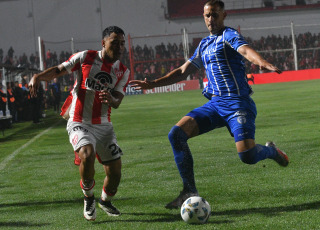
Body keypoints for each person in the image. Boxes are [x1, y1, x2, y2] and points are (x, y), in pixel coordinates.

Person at [130, 0, 289, 210]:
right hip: (215, 105)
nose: (210, 19)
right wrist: (153, 83)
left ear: (224, 15)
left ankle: (271, 151)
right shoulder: (204, 44)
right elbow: (182, 71)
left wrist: (260, 61)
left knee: (247, 156)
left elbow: (245, 50)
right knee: (176, 134)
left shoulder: (229, 35)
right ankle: (189, 190)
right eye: (207, 15)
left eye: (214, 15)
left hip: (237, 104)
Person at [28, 26, 130, 221]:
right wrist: (37, 77)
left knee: (115, 172)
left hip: (103, 125)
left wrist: (111, 99)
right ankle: (88, 197)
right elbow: (58, 70)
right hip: (78, 120)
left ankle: (105, 201)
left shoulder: (123, 71)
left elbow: (117, 101)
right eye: (114, 42)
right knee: (87, 153)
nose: (119, 47)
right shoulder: (86, 57)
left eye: (122, 43)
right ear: (103, 43)